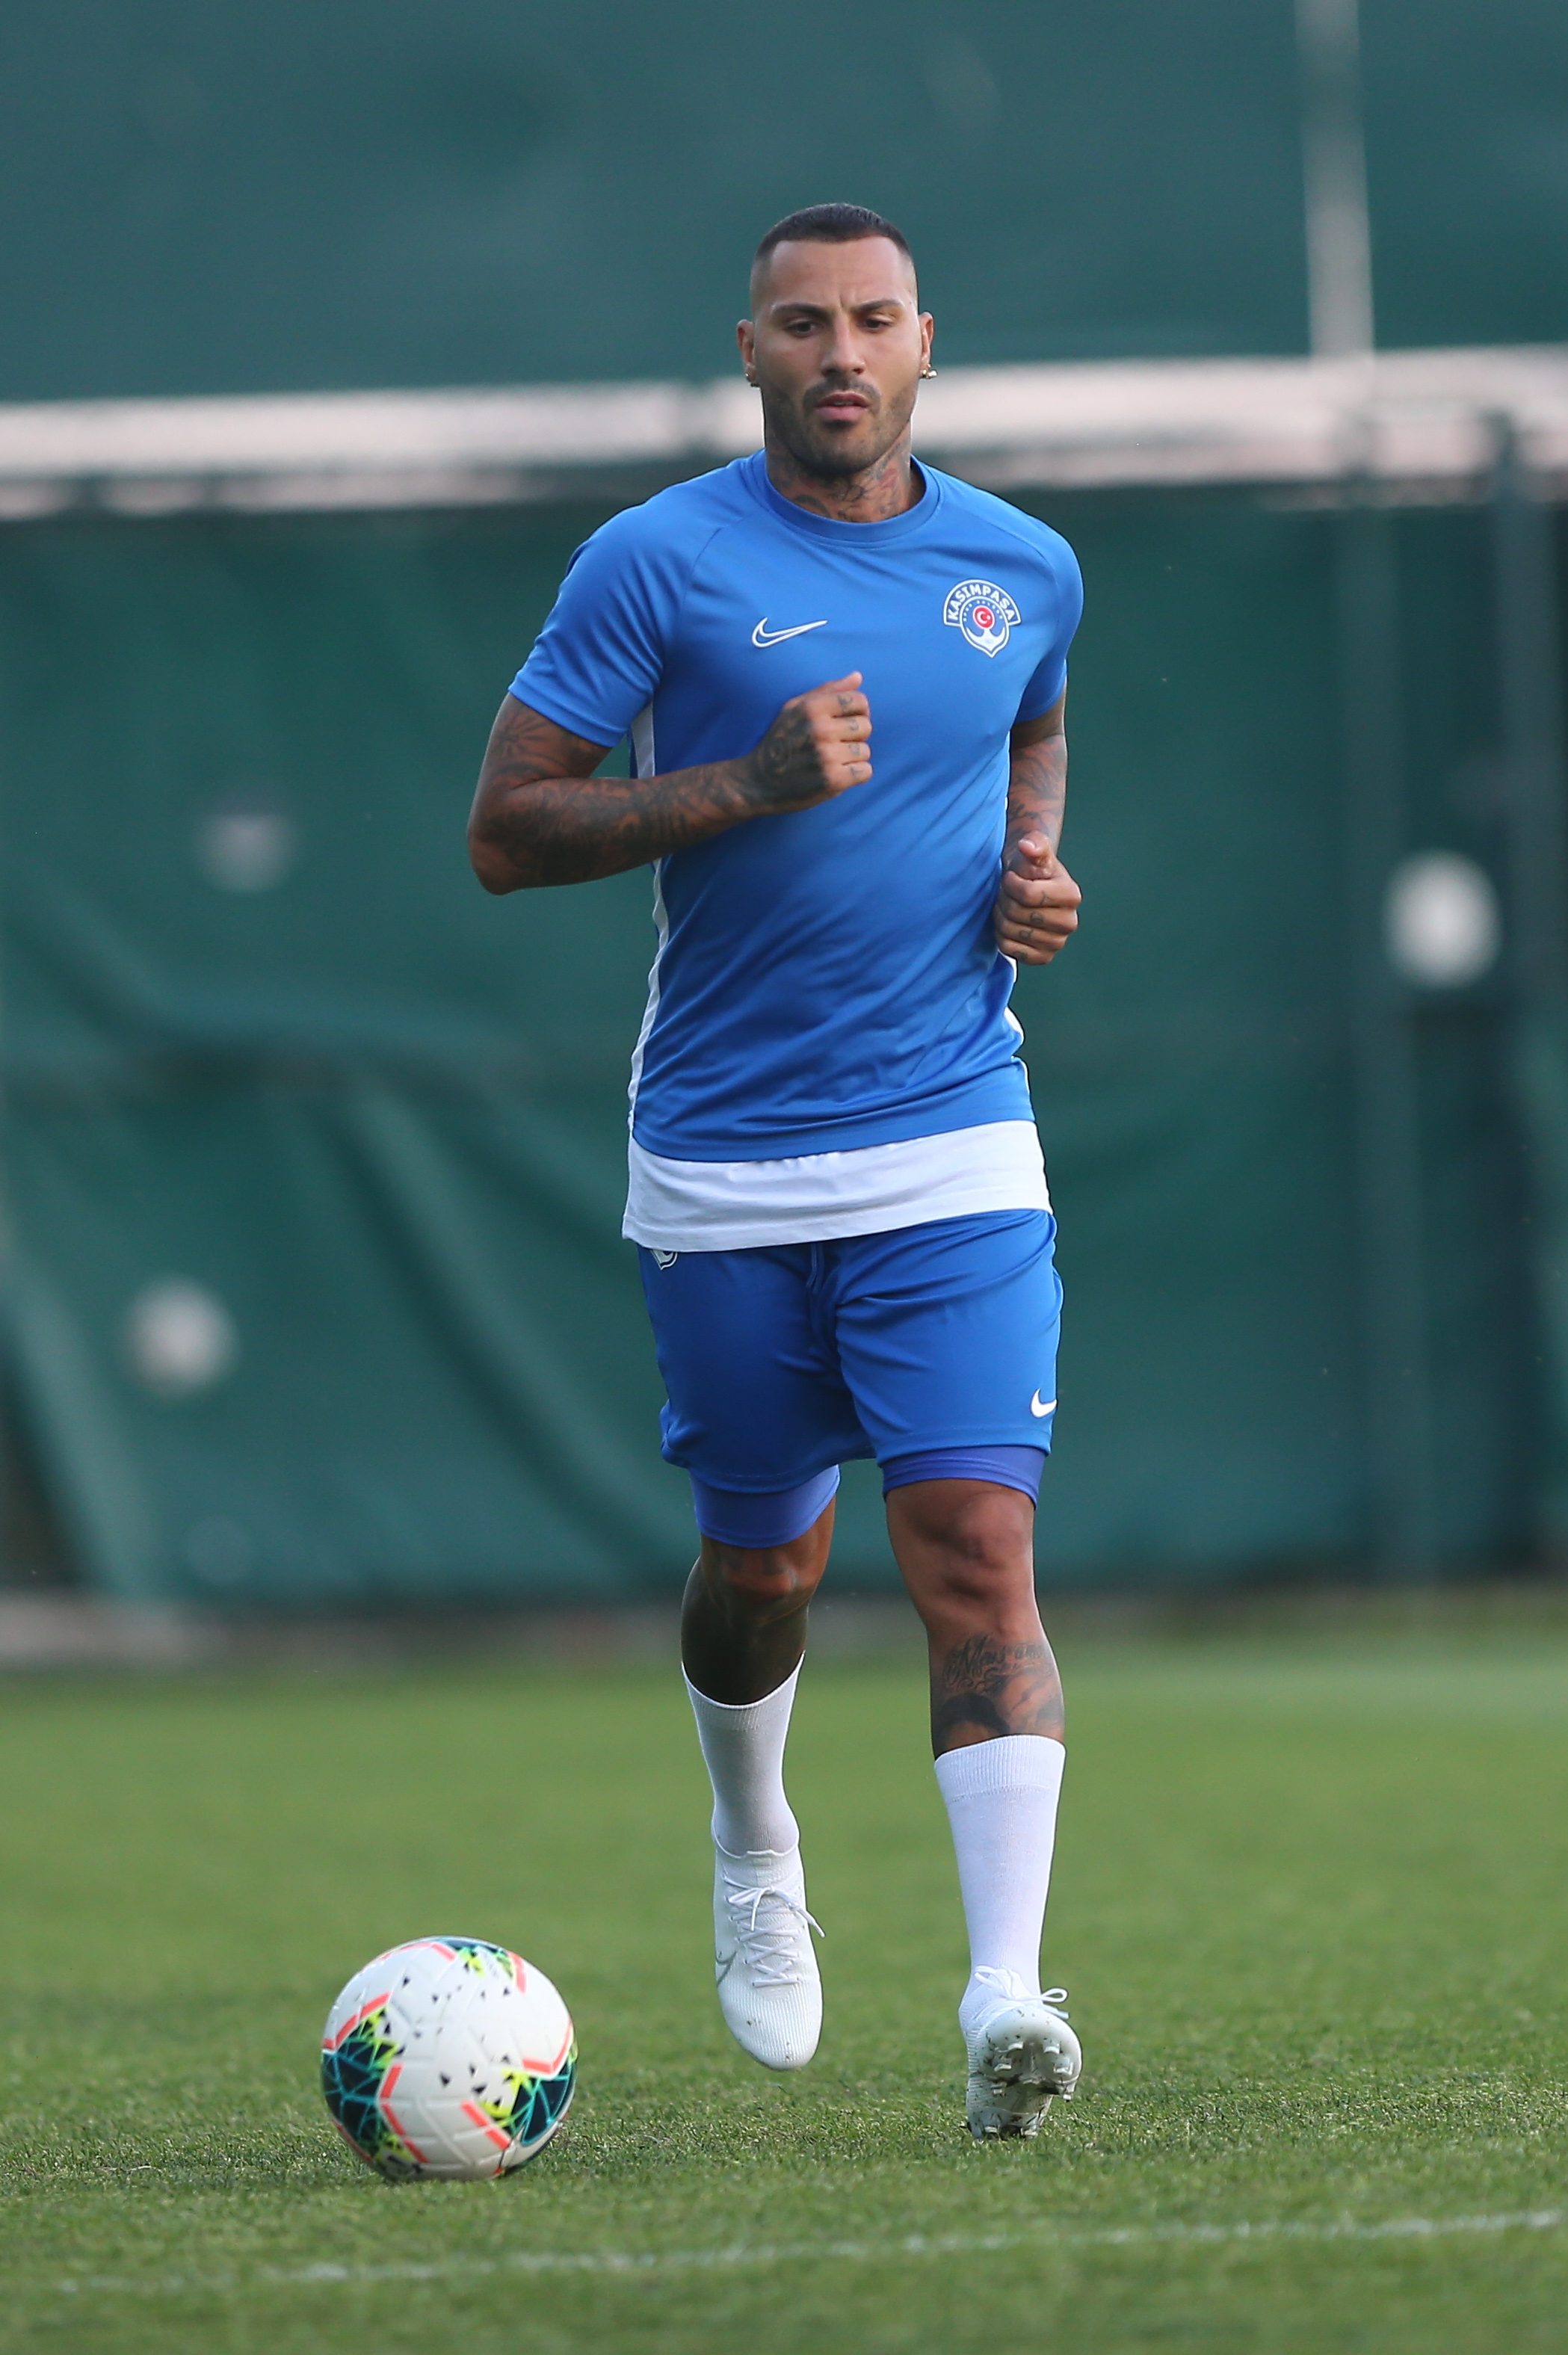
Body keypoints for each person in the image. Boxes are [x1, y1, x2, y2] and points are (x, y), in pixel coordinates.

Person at [469, 203, 1085, 2140]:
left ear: (924, 344)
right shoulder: (654, 562)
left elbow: (1033, 715)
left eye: (873, 320)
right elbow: (506, 830)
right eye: (802, 324)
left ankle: (1003, 1996)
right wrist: (745, 781)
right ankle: (754, 1841)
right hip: (727, 1163)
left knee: (974, 1548)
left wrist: (1031, 869)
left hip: (955, 1139)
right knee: (765, 1569)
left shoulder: (1024, 565)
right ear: (748, 351)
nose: (840, 353)